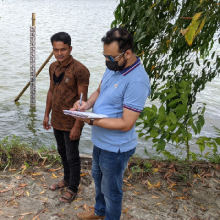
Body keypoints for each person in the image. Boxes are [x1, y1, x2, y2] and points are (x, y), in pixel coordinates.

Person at [71, 27, 151, 220]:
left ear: (128, 53)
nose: (108, 61)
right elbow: (99, 90)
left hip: (116, 148)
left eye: (112, 57)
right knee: (98, 180)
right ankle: (99, 212)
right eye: (105, 56)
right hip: (101, 141)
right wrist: (86, 104)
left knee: (112, 190)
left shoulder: (137, 81)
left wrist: (91, 120)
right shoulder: (114, 67)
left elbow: (126, 123)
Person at [43, 32, 90, 203]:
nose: (59, 53)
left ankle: (73, 187)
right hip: (56, 119)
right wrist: (46, 114)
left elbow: (82, 100)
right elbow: (51, 91)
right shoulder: (53, 67)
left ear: (70, 48)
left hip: (72, 121)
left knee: (72, 155)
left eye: (63, 49)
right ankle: (66, 179)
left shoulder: (80, 70)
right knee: (62, 152)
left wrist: (77, 125)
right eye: (56, 50)